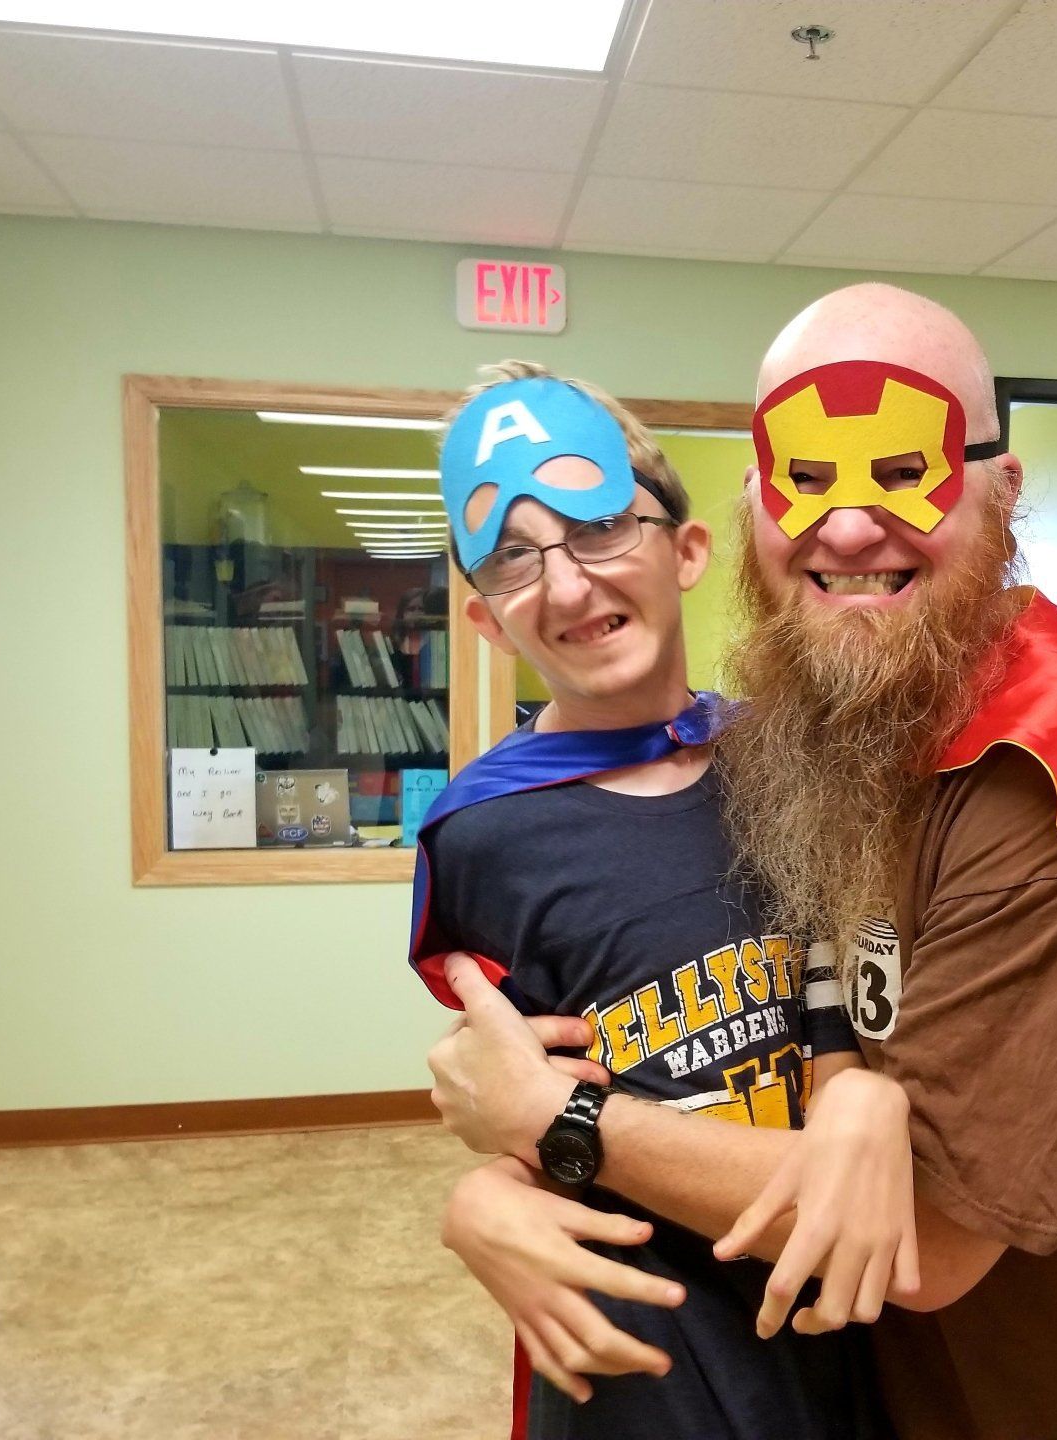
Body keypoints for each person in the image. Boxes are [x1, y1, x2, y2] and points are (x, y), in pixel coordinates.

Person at [428, 287, 1057, 1439]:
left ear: (1003, 488)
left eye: (905, 473)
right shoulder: (825, 733)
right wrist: (497, 1189)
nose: (849, 529)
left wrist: (561, 1126)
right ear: (752, 509)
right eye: (806, 478)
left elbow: (922, 1242)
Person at [410, 361, 906, 1440]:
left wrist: (866, 1102)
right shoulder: (480, 835)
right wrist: (488, 1196)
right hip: (648, 1360)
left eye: (598, 528)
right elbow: (518, 1097)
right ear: (486, 619)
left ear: (686, 551)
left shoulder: (793, 765)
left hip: (846, 1336)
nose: (568, 587)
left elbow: (856, 1037)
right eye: (514, 557)